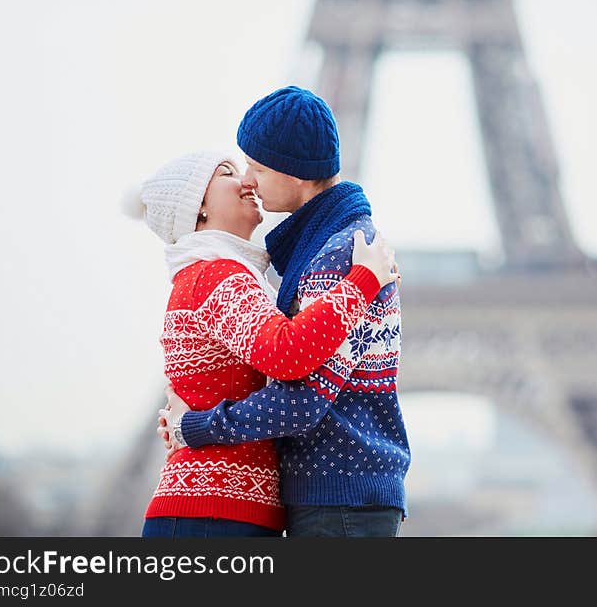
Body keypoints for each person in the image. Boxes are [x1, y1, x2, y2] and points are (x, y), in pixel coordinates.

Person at [159, 86, 411, 537]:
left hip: (338, 499)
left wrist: (194, 425)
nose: (248, 180)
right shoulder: (329, 251)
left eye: (256, 166)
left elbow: (300, 401)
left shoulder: (338, 257)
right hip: (341, 496)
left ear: (295, 173)